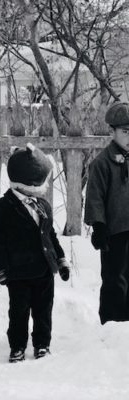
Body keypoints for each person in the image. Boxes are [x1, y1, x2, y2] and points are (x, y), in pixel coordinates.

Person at [0, 143, 70, 363]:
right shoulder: (1, 208)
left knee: (43, 311)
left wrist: (60, 261)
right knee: (18, 312)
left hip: (44, 270)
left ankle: (42, 344)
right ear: (29, 182)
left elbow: (50, 235)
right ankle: (17, 346)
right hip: (18, 273)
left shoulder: (43, 205)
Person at [84, 102, 129, 324]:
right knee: (114, 278)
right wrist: (98, 226)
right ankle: (113, 324)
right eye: (125, 132)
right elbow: (95, 197)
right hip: (115, 232)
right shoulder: (102, 163)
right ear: (112, 132)